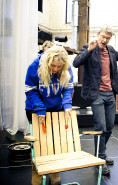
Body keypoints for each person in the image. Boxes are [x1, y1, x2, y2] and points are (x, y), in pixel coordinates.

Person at [73, 25, 118, 175]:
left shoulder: (110, 49)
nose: (105, 40)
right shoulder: (88, 47)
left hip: (110, 93)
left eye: (108, 38)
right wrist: (89, 50)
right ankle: (101, 159)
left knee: (110, 126)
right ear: (98, 34)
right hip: (96, 94)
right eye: (103, 37)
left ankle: (100, 153)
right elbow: (76, 62)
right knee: (100, 126)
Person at [25, 46, 74, 185]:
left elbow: (68, 88)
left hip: (55, 107)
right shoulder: (34, 66)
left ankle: (54, 172)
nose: (55, 69)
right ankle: (37, 174)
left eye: (59, 66)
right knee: (39, 142)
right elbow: (30, 90)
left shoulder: (66, 68)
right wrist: (40, 108)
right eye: (52, 65)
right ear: (47, 61)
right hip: (35, 108)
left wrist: (67, 105)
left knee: (54, 141)